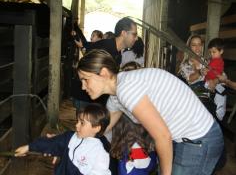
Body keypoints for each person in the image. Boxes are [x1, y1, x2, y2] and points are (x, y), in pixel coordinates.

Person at [77, 49, 224, 175]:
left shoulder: (126, 89)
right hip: (183, 139)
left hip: (199, 139)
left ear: (103, 73)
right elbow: (100, 127)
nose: (83, 87)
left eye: (85, 79)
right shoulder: (116, 95)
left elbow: (162, 136)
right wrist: (68, 142)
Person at [15, 104, 111, 175]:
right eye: (77, 121)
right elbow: (51, 143)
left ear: (96, 128)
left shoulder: (100, 154)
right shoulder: (70, 138)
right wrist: (29, 147)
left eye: (82, 123)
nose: (76, 125)